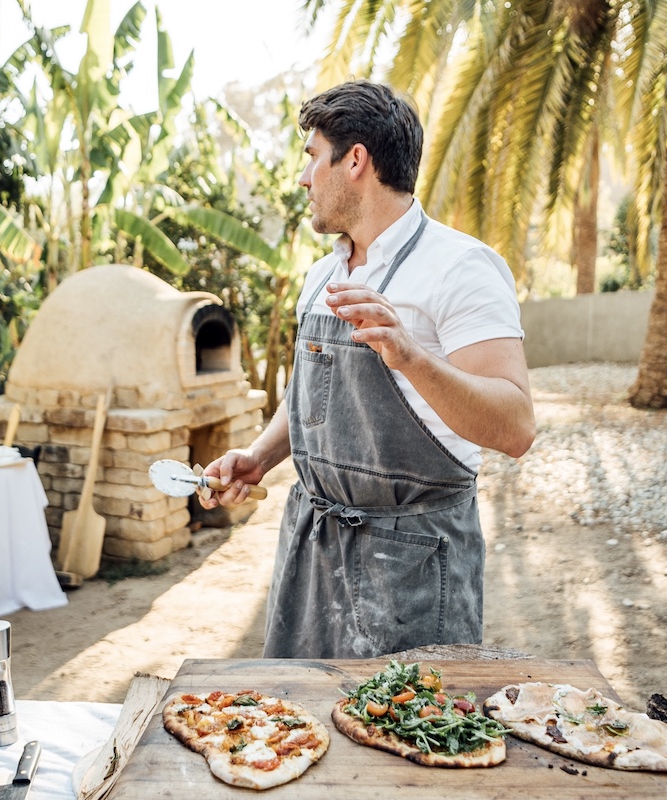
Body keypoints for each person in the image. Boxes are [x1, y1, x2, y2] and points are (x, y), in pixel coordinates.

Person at [200, 80, 536, 659]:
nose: (303, 179)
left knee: (405, 738)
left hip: (412, 565)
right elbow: (314, 394)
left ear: (355, 160)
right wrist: (259, 457)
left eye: (312, 158)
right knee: (293, 723)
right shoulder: (320, 276)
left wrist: (409, 354)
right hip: (311, 551)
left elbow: (516, 427)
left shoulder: (461, 268)